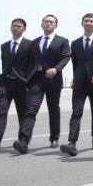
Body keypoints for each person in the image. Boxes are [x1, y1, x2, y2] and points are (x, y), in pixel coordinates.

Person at [13, 14, 70, 154]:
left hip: (53, 80)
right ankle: (23, 141)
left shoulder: (62, 41)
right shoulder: (34, 42)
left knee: (53, 109)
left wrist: (56, 69)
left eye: (51, 22)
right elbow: (28, 61)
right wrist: (25, 78)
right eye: (46, 21)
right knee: (31, 109)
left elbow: (66, 57)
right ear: (41, 24)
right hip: (36, 80)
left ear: (56, 25)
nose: (48, 24)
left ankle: (54, 137)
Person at [0, 18, 33, 152]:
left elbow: (32, 65)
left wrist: (28, 82)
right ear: (11, 28)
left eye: (19, 26)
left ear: (24, 29)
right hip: (5, 84)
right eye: (14, 26)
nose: (16, 28)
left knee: (23, 114)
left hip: (22, 84)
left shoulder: (30, 45)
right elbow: (4, 65)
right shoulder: (4, 46)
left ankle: (22, 142)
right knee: (1, 112)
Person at [60, 13, 93, 156]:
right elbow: (75, 63)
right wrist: (75, 78)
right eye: (86, 21)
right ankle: (72, 142)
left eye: (92, 21)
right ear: (82, 23)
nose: (89, 23)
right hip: (80, 83)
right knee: (76, 112)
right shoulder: (75, 43)